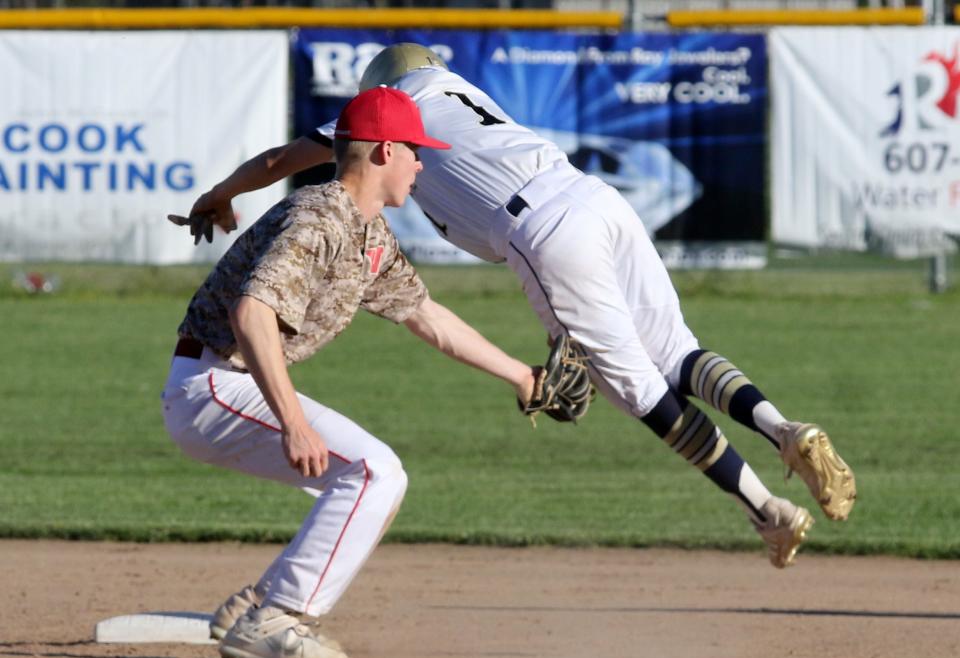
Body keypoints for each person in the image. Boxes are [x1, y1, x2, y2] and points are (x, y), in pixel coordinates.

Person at [173, 43, 856, 574]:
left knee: (639, 391)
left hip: (541, 229)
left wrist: (220, 193)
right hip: (594, 197)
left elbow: (279, 160)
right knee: (676, 349)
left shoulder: (392, 110)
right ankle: (781, 425)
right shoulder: (455, 88)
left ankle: (767, 507)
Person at [163, 85, 537, 658]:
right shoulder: (319, 216)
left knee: (366, 490)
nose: (422, 163)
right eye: (416, 150)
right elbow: (252, 313)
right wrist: (293, 424)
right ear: (385, 152)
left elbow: (427, 317)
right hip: (211, 384)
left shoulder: (367, 234)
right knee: (373, 472)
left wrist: (523, 376)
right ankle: (278, 618)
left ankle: (258, 607)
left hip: (227, 384)